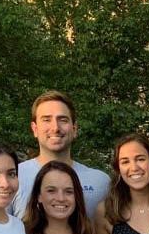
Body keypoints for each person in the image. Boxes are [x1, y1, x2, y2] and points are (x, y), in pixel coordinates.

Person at [10, 90, 111, 221]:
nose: (55, 127)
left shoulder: (100, 182)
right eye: (46, 119)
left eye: (62, 120)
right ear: (34, 129)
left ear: (74, 129)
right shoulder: (13, 178)